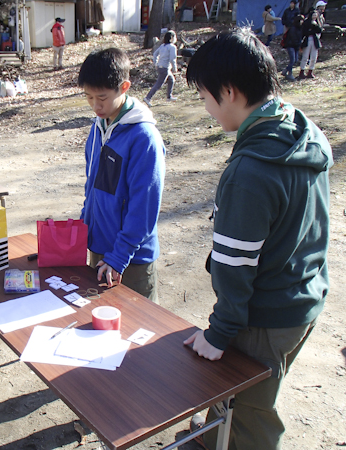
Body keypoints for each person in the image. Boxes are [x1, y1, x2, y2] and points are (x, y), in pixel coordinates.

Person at [184, 28, 332, 450]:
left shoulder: (250, 171)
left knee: (250, 411)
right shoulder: (304, 132)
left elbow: (235, 265)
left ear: (229, 91)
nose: (206, 108)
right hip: (304, 296)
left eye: (204, 96)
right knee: (237, 394)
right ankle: (211, 440)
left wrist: (219, 332)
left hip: (265, 316)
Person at [78, 48, 166, 304]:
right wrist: (84, 224)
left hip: (132, 258)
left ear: (124, 87)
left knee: (138, 331)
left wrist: (119, 256)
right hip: (100, 247)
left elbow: (145, 207)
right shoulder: (98, 127)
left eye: (102, 97)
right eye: (89, 97)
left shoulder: (143, 138)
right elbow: (93, 186)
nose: (96, 106)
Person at [143, 30, 178, 106]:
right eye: (174, 37)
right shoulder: (172, 47)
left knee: (171, 80)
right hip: (165, 68)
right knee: (159, 84)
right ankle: (148, 98)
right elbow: (173, 58)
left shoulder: (162, 46)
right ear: (171, 38)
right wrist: (175, 67)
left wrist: (156, 63)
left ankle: (169, 96)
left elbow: (155, 54)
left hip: (160, 67)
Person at [298, 8, 323, 79]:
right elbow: (305, 32)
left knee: (314, 57)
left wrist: (314, 28)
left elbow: (319, 30)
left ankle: (310, 71)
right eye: (313, 15)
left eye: (316, 15)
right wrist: (312, 31)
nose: (314, 17)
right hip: (307, 40)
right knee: (305, 56)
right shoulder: (306, 23)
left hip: (315, 41)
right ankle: (302, 71)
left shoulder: (317, 22)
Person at [281, 14, 304, 81]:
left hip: (296, 46)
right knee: (292, 60)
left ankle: (285, 70)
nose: (303, 21)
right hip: (291, 45)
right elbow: (293, 38)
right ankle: (290, 74)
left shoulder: (300, 28)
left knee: (296, 60)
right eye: (301, 20)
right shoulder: (293, 28)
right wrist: (299, 44)